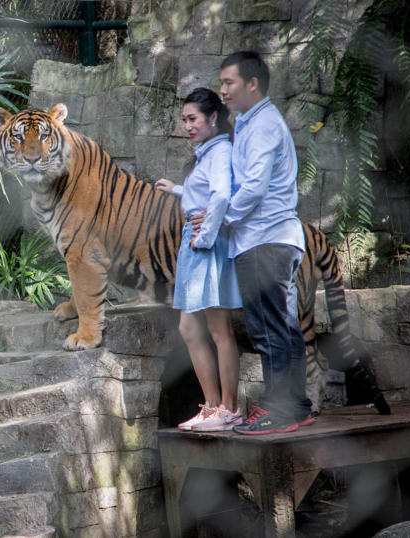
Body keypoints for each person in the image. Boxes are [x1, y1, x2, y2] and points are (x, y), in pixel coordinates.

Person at [193, 51, 316, 434]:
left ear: (252, 84)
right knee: (283, 325)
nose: (222, 90)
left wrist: (219, 220)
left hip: (264, 239)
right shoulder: (251, 121)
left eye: (228, 82)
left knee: (267, 328)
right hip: (269, 239)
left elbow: (254, 189)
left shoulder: (262, 125)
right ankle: (295, 407)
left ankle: (279, 411)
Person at [155, 88, 243, 432]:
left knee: (219, 330)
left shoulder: (220, 150)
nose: (187, 125)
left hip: (206, 245)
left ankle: (229, 409)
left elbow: (222, 194)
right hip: (194, 247)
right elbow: (207, 192)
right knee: (190, 328)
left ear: (213, 118)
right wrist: (178, 189)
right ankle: (211, 407)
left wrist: (206, 234)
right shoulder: (207, 152)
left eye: (193, 119)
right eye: (184, 120)